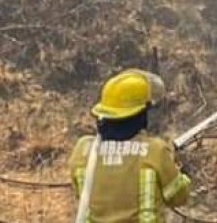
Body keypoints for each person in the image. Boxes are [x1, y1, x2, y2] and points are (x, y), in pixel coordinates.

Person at [69, 69, 192, 223]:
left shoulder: (83, 150)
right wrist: (180, 170)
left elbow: (80, 195)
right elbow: (179, 197)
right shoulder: (155, 151)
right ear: (140, 114)